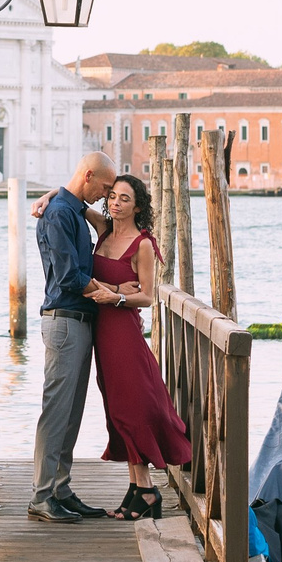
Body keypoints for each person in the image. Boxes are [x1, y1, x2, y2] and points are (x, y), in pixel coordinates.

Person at [80, 173, 191, 517]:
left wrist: (115, 296)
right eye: (112, 196)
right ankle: (136, 488)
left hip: (123, 334)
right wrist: (45, 197)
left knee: (131, 408)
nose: (115, 203)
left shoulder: (142, 243)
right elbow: (73, 200)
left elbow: (147, 296)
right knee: (116, 408)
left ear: (138, 206)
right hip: (101, 335)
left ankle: (146, 491)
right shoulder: (104, 229)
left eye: (124, 199)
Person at [29, 151, 116, 525]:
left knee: (72, 412)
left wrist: (77, 205)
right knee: (56, 411)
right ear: (89, 175)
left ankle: (60, 489)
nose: (106, 195)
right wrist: (114, 291)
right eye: (105, 188)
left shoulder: (71, 208)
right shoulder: (60, 213)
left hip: (78, 321)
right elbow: (68, 277)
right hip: (64, 319)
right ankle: (41, 494)